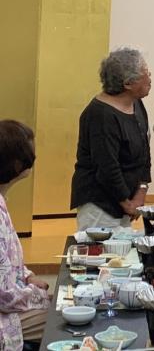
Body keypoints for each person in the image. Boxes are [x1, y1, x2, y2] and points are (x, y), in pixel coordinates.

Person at [71, 48, 152, 230]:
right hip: (101, 204)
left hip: (127, 201)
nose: (150, 77)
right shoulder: (100, 115)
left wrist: (141, 191)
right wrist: (127, 203)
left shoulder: (136, 103)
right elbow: (106, 167)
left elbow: (144, 151)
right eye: (145, 73)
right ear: (128, 83)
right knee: (103, 248)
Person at [0, 120, 51, 351]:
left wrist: (28, 277)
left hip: (9, 302)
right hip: (5, 314)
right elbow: (6, 295)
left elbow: (9, 260)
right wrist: (39, 295)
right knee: (64, 318)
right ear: (17, 163)